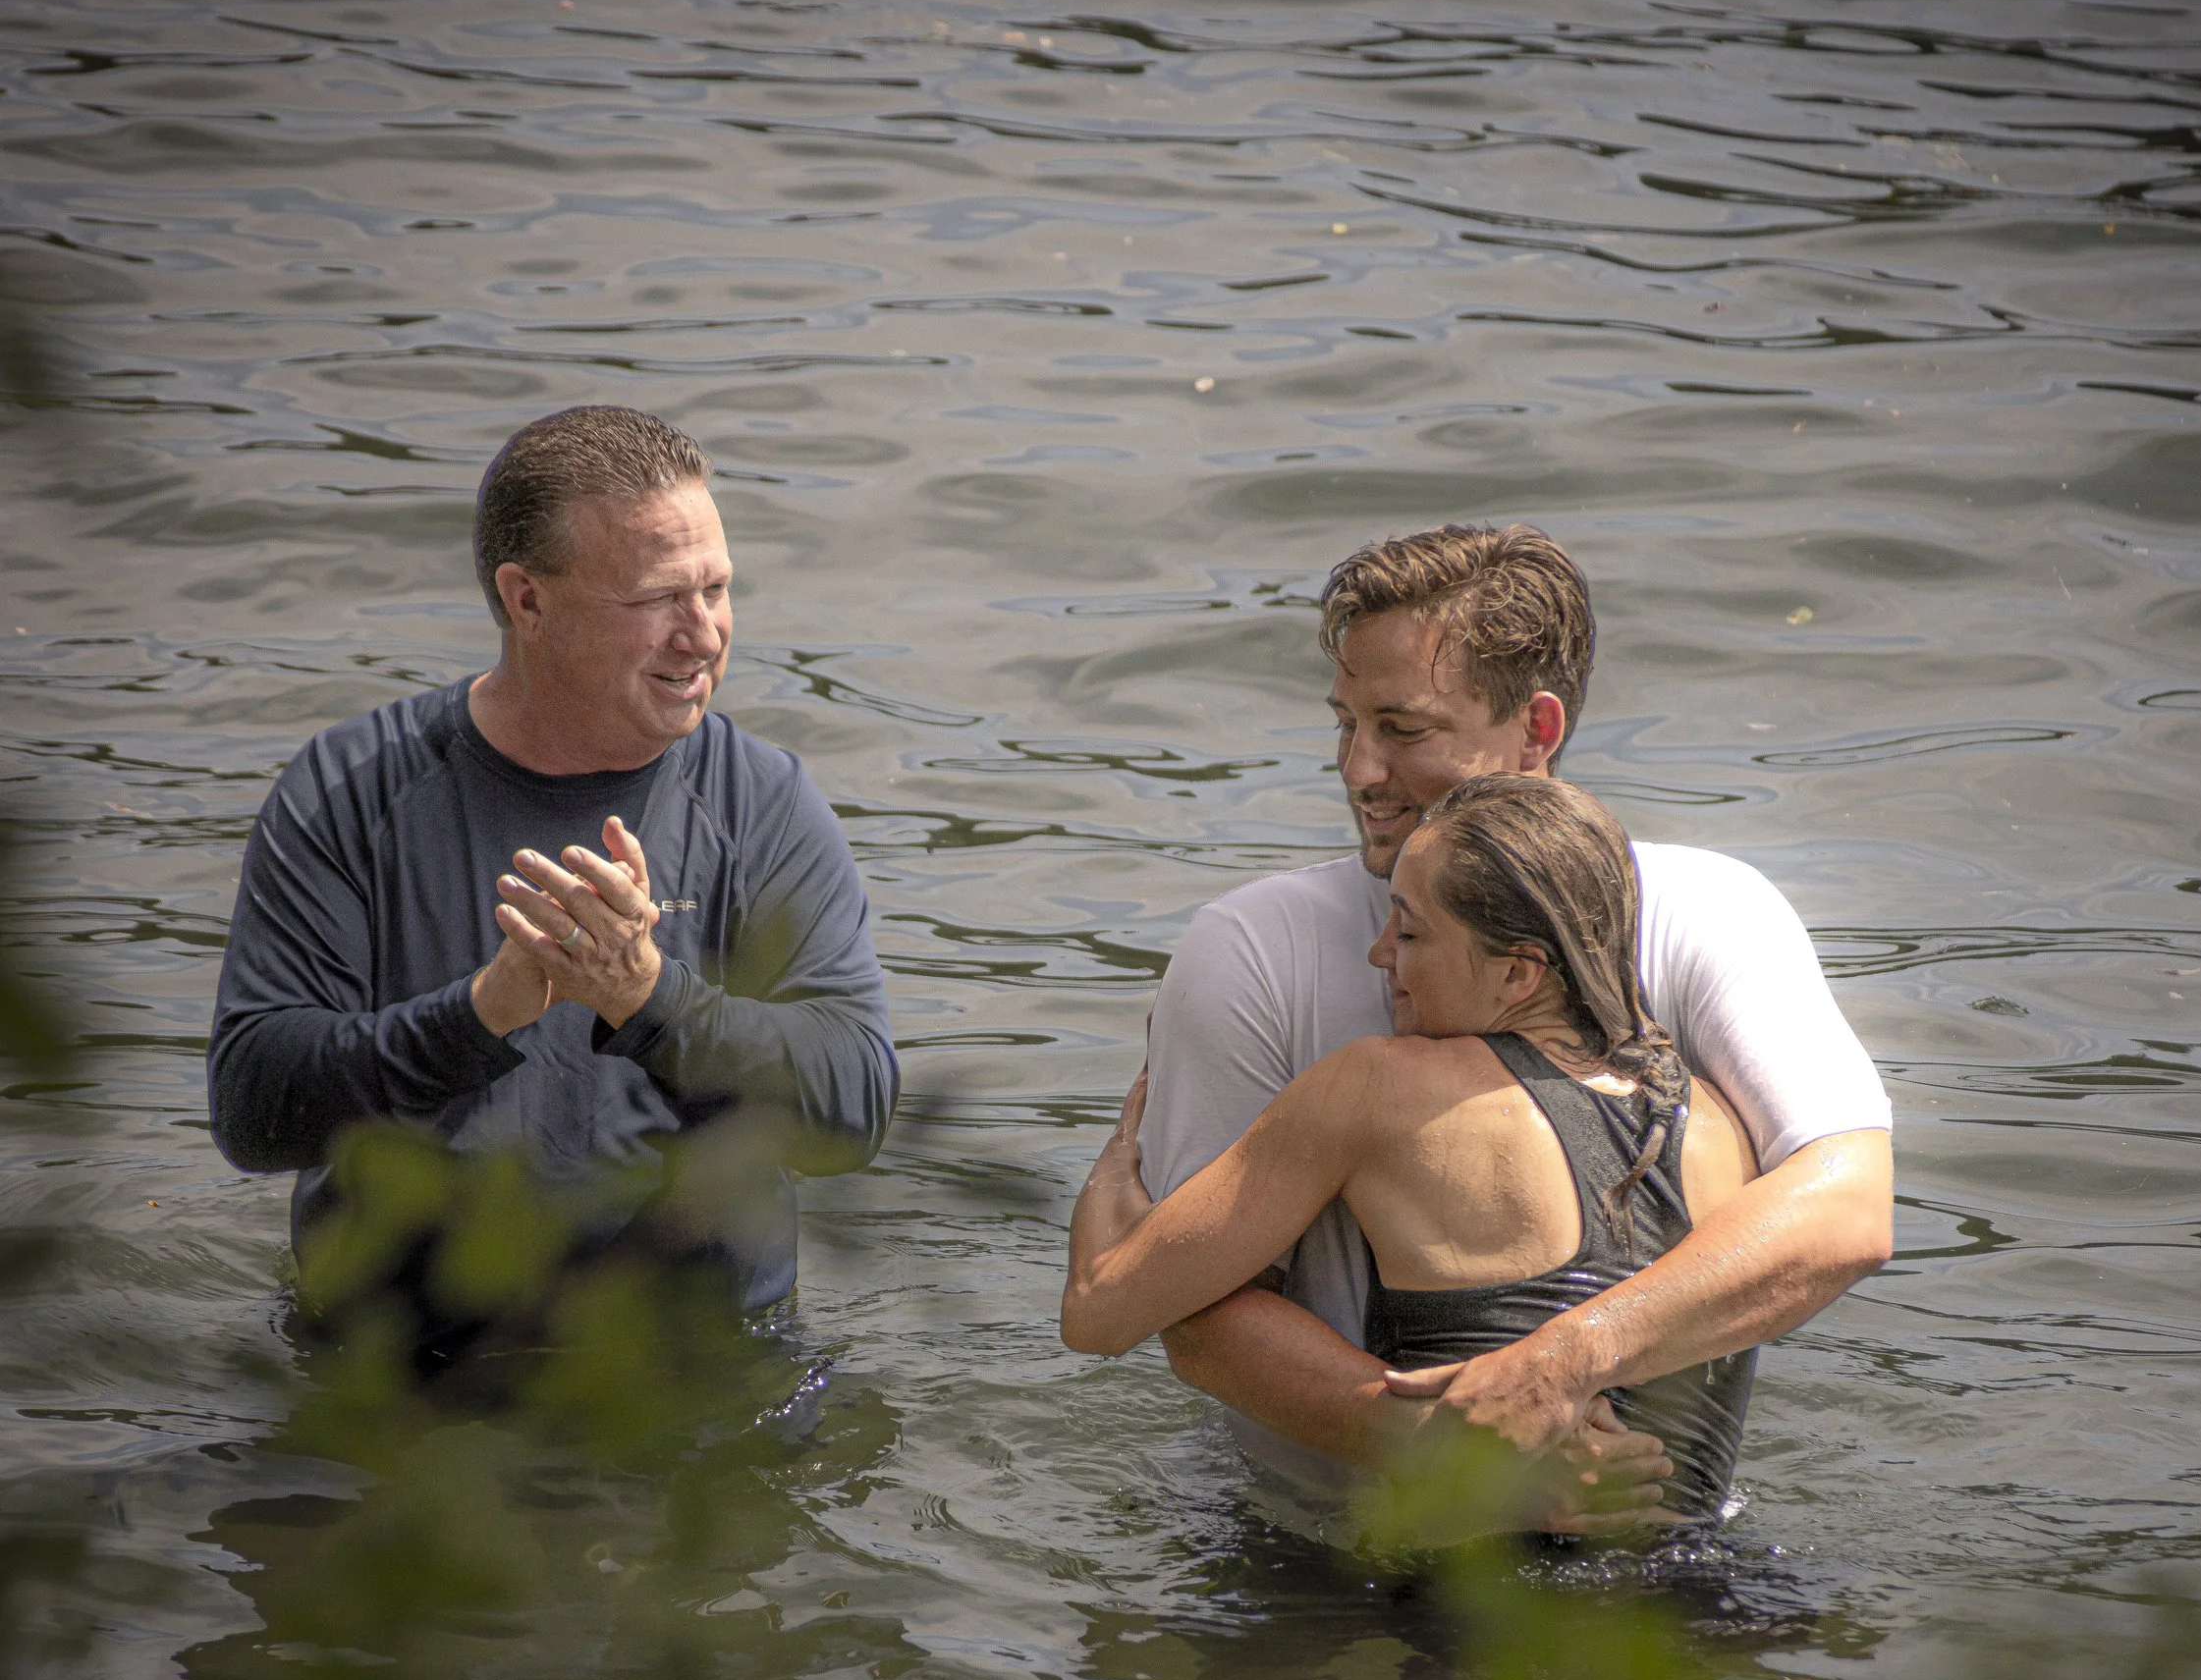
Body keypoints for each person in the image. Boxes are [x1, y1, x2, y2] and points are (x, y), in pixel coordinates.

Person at [1129, 522, 1893, 1536]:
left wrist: (1554, 1369)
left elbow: (1846, 1213)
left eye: (1402, 731)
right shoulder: (1250, 952)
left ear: (1536, 730)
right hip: (1315, 1551)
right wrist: (1440, 1443)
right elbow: (1195, 1316)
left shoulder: (1710, 915)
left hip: (1666, 1553)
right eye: (1343, 724)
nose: (1359, 771)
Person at [208, 405, 897, 1343]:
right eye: (660, 599)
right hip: (400, 1372)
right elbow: (252, 1107)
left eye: (717, 588)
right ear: (527, 600)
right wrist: (475, 1016)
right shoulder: (349, 792)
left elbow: (855, 1107)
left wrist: (650, 999)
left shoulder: (763, 804)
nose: (704, 635)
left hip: (695, 1371)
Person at [1068, 776, 1762, 1527]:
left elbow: (1100, 1312)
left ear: (1517, 972)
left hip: (1458, 1617)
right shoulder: (1719, 1126)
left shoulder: (1377, 1086)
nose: (1376, 955)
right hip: (1709, 1601)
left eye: (1407, 931)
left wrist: (1112, 1176)